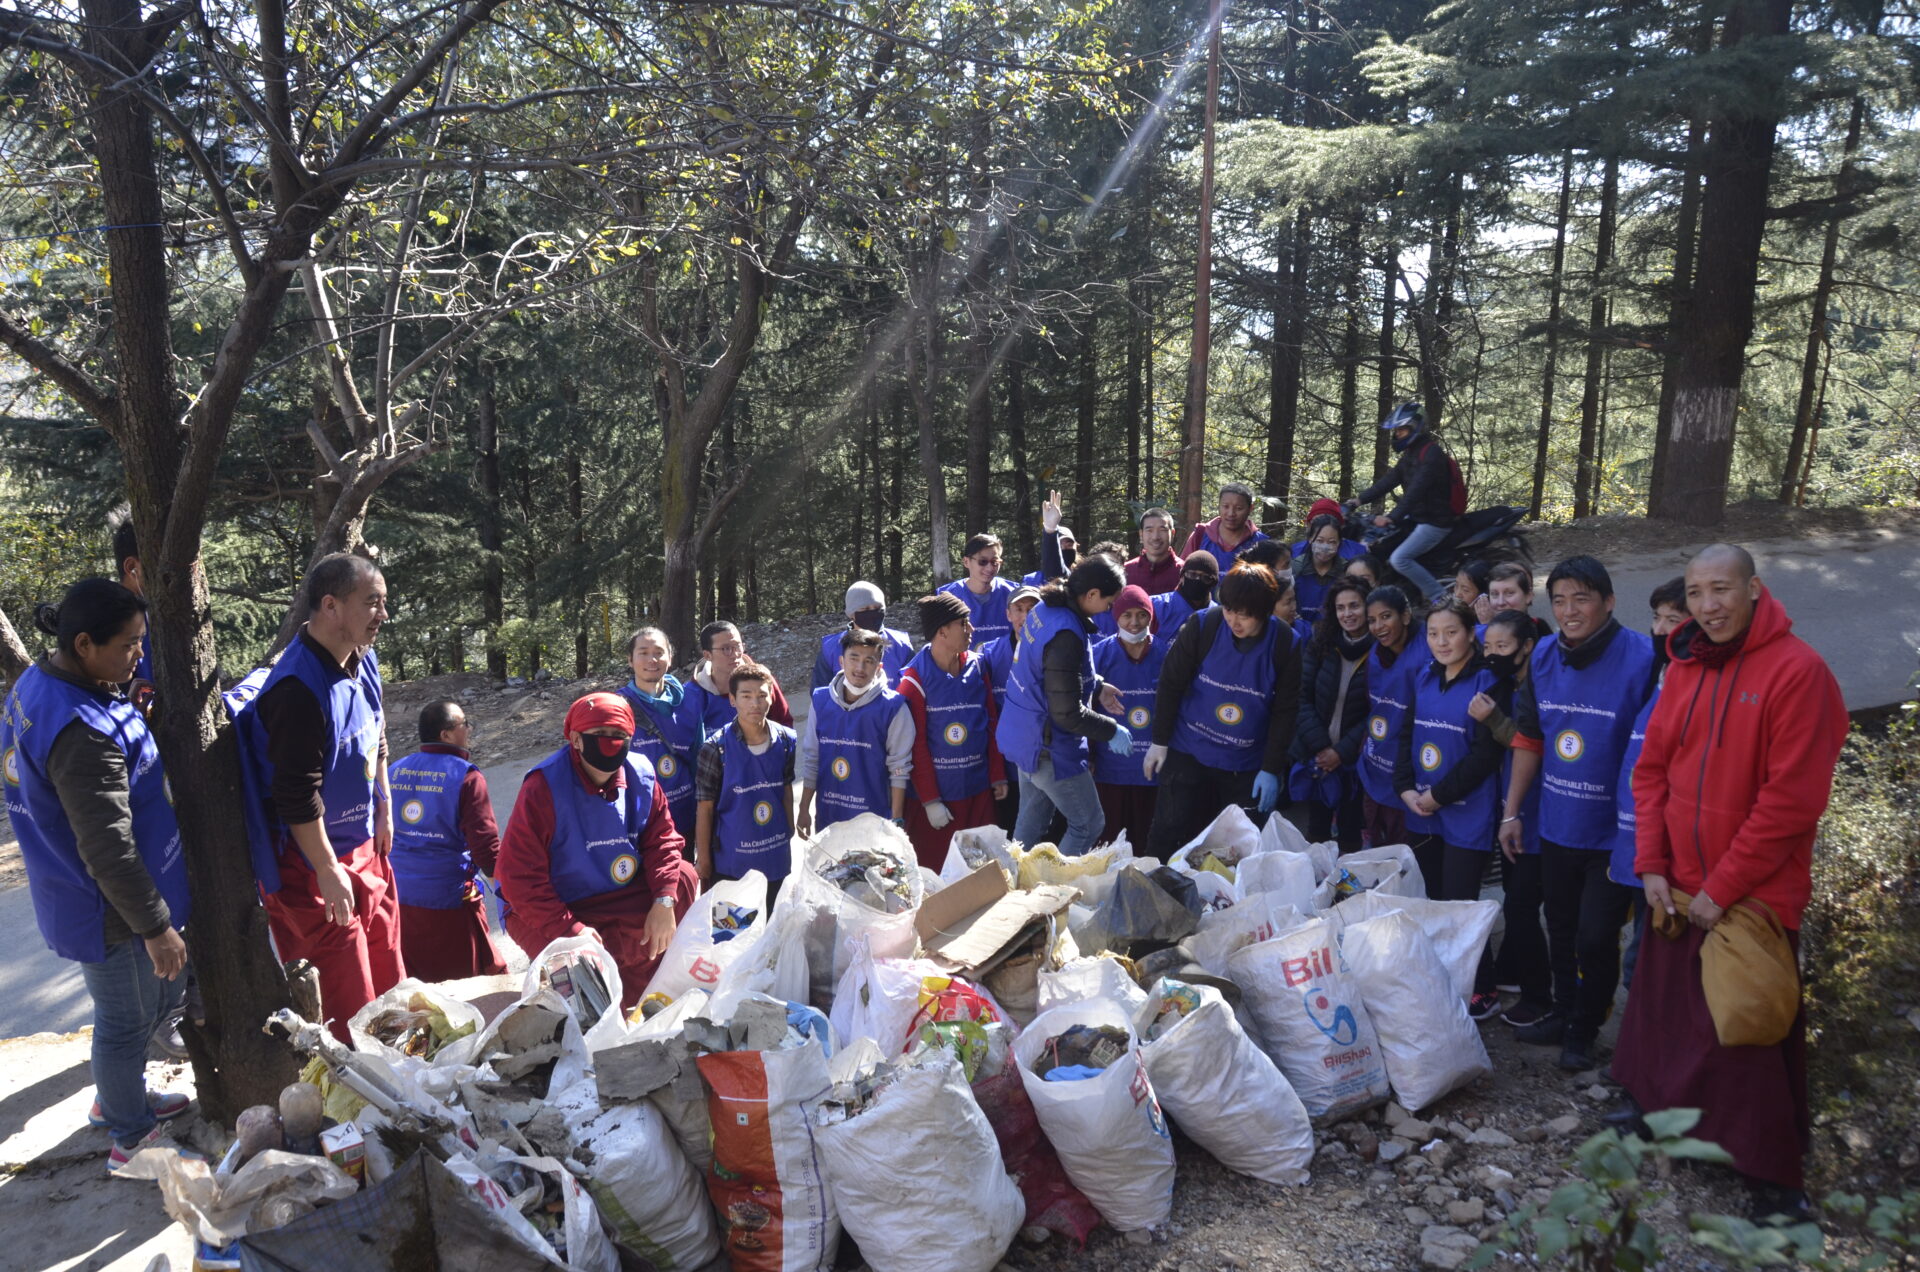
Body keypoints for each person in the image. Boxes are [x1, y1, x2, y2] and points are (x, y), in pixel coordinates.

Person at [1613, 545, 1847, 1219]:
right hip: (1676, 885)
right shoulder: (1685, 666)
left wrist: (1724, 887)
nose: (1707, 606)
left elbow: (1791, 801)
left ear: (1753, 591)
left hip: (1749, 897)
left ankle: (1771, 1177)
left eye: (1721, 590)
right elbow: (1652, 769)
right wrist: (1652, 864)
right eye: (1695, 593)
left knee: (1744, 1028)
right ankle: (1660, 1116)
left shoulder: (1797, 673)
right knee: (1664, 1015)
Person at [2, 580, 193, 1171]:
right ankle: (130, 1139)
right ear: (84, 643)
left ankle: (119, 1101)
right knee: (124, 1021)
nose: (140, 653)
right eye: (130, 643)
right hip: (110, 906)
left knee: (143, 1009)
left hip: (89, 891)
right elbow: (107, 847)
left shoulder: (46, 681)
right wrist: (155, 925)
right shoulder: (79, 731)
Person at [1498, 555, 1656, 1071]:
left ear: (1609, 602)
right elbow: (1529, 737)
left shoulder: (1643, 657)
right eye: (1559, 600)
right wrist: (1513, 812)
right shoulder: (1543, 656)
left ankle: (1586, 1029)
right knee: (1559, 926)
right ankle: (1564, 1012)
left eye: (1581, 598)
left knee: (1595, 936)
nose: (1569, 610)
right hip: (1557, 824)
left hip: (1614, 833)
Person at [241, 553, 403, 1042]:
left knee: (390, 970)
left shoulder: (363, 656)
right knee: (346, 990)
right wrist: (328, 870)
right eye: (373, 603)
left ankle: (404, 1059)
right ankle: (359, 1087)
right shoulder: (295, 690)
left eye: (385, 602)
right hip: (312, 861)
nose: (383, 615)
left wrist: (385, 804)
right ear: (330, 606)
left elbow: (377, 735)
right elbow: (296, 795)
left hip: (364, 844)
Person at [497, 692, 701, 1008]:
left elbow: (664, 841)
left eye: (620, 736)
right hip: (559, 902)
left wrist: (663, 901)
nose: (610, 743)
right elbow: (518, 879)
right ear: (576, 740)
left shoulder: (641, 774)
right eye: (599, 735)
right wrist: (570, 929)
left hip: (617, 891)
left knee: (684, 877)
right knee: (579, 986)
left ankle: (646, 991)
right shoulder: (543, 787)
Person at [1397, 599, 1507, 1019]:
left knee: (1461, 907)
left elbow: (1484, 757)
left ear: (1470, 635)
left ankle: (1484, 988)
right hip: (1422, 810)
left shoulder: (1486, 683)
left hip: (1465, 813)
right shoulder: (1424, 677)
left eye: (1452, 632)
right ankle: (1447, 980)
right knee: (1433, 901)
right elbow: (1406, 735)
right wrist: (1405, 788)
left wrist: (1439, 795)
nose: (1441, 642)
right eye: (1433, 634)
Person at [1144, 563, 1302, 853]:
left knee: (1238, 844)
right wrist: (1159, 742)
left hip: (1244, 763)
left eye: (1245, 614)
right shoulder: (1204, 625)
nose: (1235, 621)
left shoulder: (1285, 643)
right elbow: (1170, 683)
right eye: (1230, 610)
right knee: (1169, 829)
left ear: (1265, 611)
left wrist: (1271, 768)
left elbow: (1286, 709)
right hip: (1189, 750)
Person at [995, 555, 1130, 855]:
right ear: (1091, 594)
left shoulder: (1047, 607)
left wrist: (1096, 684)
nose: (1110, 608)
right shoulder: (1067, 633)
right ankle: (1053, 891)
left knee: (1029, 827)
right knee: (1087, 824)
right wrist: (1111, 730)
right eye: (1110, 601)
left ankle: (1011, 886)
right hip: (1047, 748)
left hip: (1022, 734)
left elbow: (1052, 671)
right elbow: (1067, 713)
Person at [386, 700, 508, 981]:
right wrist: (510, 887)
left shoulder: (395, 770)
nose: (468, 729)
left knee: (416, 986)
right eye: (464, 724)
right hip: (446, 901)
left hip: (397, 896)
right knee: (469, 985)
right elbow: (486, 848)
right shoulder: (466, 776)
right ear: (446, 734)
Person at [1608, 577, 1690, 992]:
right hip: (1635, 844)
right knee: (1636, 958)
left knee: (1651, 963)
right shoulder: (1659, 674)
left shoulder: (1696, 687)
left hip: (1671, 859)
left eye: (1672, 620)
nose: (1659, 629)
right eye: (1657, 618)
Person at [1474, 609, 1551, 1025]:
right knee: (1516, 898)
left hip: (1536, 813)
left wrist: (1493, 720)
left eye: (1502, 648)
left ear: (1527, 647)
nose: (1492, 655)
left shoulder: (1538, 687)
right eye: (1487, 646)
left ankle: (1540, 995)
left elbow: (1532, 744)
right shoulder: (1506, 683)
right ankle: (1521, 976)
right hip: (1514, 811)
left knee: (1523, 905)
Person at [898, 593, 1007, 869]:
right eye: (963, 623)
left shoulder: (977, 665)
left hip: (978, 792)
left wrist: (997, 775)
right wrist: (930, 800)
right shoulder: (913, 680)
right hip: (939, 803)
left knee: (983, 872)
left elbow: (991, 723)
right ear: (942, 631)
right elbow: (915, 744)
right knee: (940, 879)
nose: (971, 629)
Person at [694, 661, 798, 902]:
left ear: (772, 696)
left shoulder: (785, 739)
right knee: (731, 930)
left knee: (773, 923)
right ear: (732, 700)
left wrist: (789, 828)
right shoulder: (715, 748)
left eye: (762, 695)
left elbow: (785, 787)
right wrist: (705, 860)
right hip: (732, 859)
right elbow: (705, 807)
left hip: (774, 854)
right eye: (746, 696)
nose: (755, 703)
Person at [797, 627, 915, 835]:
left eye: (869, 661)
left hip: (875, 821)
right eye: (854, 658)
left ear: (878, 668)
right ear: (841, 662)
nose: (860, 667)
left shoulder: (893, 707)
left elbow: (899, 768)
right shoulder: (821, 701)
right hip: (830, 818)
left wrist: (896, 819)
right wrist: (804, 808)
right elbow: (812, 758)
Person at [1290, 577, 1372, 851]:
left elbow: (1377, 713)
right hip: (1318, 756)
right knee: (1317, 833)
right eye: (1341, 607)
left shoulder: (1379, 651)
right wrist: (1322, 747)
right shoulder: (1322, 642)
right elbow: (1301, 696)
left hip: (1353, 762)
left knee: (1351, 833)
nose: (1347, 614)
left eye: (1354, 606)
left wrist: (1341, 752)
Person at [1349, 402, 1459, 605]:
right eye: (1396, 430)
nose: (1397, 434)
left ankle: (1440, 597)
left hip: (1434, 522)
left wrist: (1391, 517)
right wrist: (1359, 499)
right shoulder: (1412, 453)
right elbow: (1390, 480)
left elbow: (1416, 491)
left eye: (1401, 429)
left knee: (1399, 559)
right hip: (1418, 518)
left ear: (1415, 427)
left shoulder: (1431, 454)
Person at [1091, 585, 1167, 848]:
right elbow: (1083, 706)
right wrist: (1089, 754)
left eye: (1142, 615)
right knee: (1109, 843)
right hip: (1109, 769)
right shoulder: (1099, 655)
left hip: (1152, 767)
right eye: (1127, 615)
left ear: (1151, 617)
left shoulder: (1166, 654)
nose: (1134, 623)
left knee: (1147, 842)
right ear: (1116, 617)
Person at [618, 627, 703, 839]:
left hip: (686, 818)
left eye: (658, 652)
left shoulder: (689, 701)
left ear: (670, 658)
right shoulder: (618, 707)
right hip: (640, 824)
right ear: (630, 660)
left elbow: (699, 760)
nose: (652, 659)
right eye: (643, 653)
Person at [1356, 584, 1422, 852]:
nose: (1378, 626)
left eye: (1386, 617)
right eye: (1372, 620)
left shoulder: (1426, 653)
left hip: (1410, 770)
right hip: (1376, 761)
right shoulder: (1376, 654)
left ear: (1405, 616)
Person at [980, 585, 1041, 832]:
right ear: (1008, 614)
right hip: (1005, 767)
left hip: (1042, 762)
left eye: (1032, 609)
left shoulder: (1053, 650)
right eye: (1019, 609)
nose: (1025, 616)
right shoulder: (990, 654)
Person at [684, 622, 794, 729]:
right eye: (726, 649)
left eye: (738, 646)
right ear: (707, 655)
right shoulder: (692, 694)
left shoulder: (763, 681)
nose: (735, 654)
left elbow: (784, 726)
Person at [810, 582, 914, 691]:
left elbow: (913, 689)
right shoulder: (831, 648)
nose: (873, 613)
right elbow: (819, 692)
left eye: (878, 608)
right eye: (865, 609)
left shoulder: (901, 644)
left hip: (891, 707)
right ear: (852, 614)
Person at [940, 533, 1016, 649]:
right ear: (966, 562)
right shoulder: (947, 596)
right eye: (983, 562)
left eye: (994, 562)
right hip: (963, 666)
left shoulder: (1014, 594)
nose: (990, 568)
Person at [1181, 481, 1270, 576]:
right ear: (1219, 505)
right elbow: (1182, 572)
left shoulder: (1261, 543)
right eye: (1226, 506)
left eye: (1239, 508)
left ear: (1250, 509)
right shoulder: (1201, 534)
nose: (1231, 513)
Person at [1293, 513, 1350, 624]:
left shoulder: (1346, 571)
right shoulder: (1295, 568)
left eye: (1331, 542)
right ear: (1310, 539)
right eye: (1320, 540)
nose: (1325, 547)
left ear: (1339, 543)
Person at [1151, 550, 1218, 641]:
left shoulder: (1218, 616)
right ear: (1182, 576)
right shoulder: (1156, 606)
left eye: (1205, 577)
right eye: (1192, 574)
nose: (1197, 580)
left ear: (1213, 583)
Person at [1485, 562, 1553, 641]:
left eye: (1509, 593)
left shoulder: (1542, 634)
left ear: (1528, 596)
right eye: (1494, 594)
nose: (1500, 602)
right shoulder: (1477, 635)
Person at [1022, 490, 1077, 586]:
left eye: (1069, 544)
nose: (1064, 548)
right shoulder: (1031, 580)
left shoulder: (1084, 578)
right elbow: (1055, 572)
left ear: (1077, 547)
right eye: (1059, 545)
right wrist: (1050, 529)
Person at [1125, 507, 1184, 594]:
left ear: (1172, 533)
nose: (1155, 537)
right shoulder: (1126, 571)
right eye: (1149, 530)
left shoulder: (1184, 572)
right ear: (1141, 534)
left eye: (1162, 530)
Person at [1290, 497, 1365, 563]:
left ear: (1340, 526)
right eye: (1317, 521)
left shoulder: (1357, 552)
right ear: (1309, 525)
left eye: (1329, 521)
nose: (1323, 527)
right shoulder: (1295, 552)